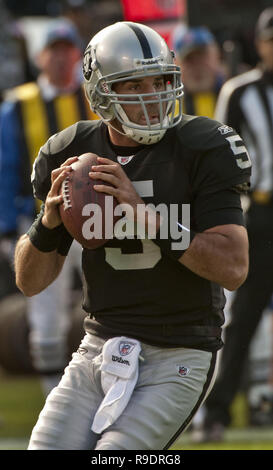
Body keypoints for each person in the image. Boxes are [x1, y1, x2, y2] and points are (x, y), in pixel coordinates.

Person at [14, 21, 251, 450]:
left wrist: (148, 218)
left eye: (160, 80)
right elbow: (29, 282)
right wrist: (46, 226)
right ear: (100, 93)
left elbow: (233, 268)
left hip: (179, 352)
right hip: (97, 348)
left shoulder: (203, 145)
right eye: (133, 85)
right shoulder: (68, 153)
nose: (153, 96)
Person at [0, 19, 97, 395]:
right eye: (53, 50)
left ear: (77, 55)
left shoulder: (92, 98)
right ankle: (52, 400)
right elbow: (6, 168)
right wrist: (8, 227)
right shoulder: (17, 105)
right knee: (45, 317)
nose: (59, 58)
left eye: (66, 50)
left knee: (108, 304)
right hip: (41, 219)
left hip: (94, 219)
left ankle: (103, 392)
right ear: (41, 56)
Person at [201, 6, 273, 441]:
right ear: (260, 44)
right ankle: (217, 413)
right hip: (262, 213)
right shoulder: (240, 91)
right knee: (241, 319)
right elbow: (223, 161)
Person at [172, 25, 227, 118]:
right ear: (176, 64)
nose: (197, 66)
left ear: (217, 55)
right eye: (189, 59)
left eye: (202, 56)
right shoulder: (169, 111)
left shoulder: (240, 96)